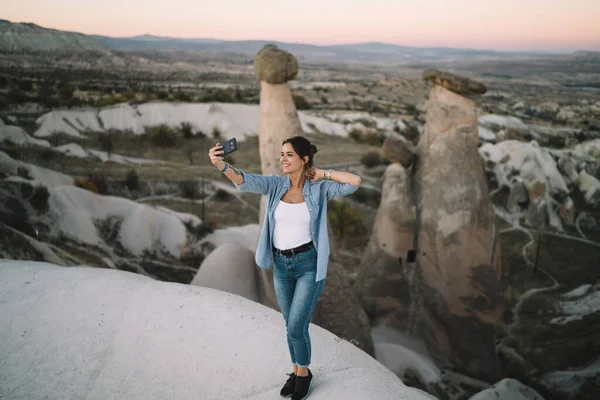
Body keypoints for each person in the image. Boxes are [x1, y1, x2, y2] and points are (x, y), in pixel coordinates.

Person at [208, 135, 361, 400]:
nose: (283, 159)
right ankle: (297, 371)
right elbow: (244, 180)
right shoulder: (276, 185)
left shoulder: (319, 189)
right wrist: (221, 165)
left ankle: (303, 375)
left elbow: (354, 183)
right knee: (290, 324)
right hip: (281, 266)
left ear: (304, 159)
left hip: (308, 267)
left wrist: (322, 173)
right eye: (281, 154)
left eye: (289, 154)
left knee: (296, 326)